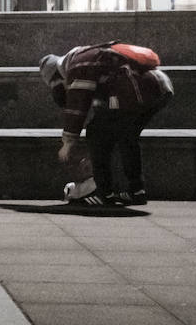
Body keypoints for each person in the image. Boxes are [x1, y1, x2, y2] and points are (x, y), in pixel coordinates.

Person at [39, 43, 173, 206]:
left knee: (96, 135)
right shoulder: (91, 54)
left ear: (56, 77)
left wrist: (68, 142)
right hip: (160, 87)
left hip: (133, 90)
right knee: (127, 137)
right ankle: (136, 191)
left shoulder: (77, 65)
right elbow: (101, 104)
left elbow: (77, 107)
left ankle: (104, 193)